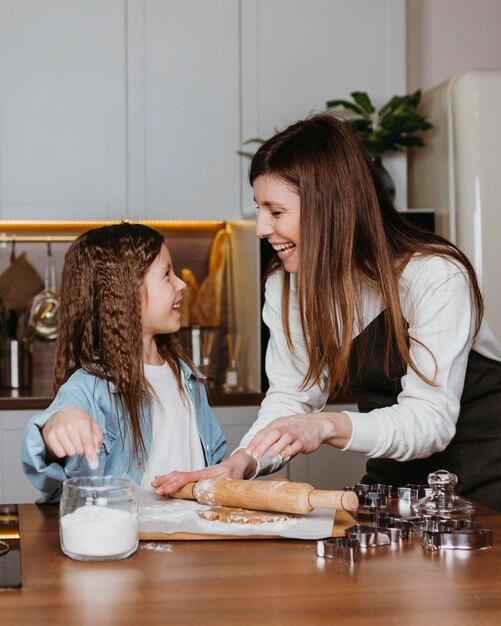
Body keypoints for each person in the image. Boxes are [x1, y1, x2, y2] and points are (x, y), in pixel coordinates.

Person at [153, 113, 501, 512]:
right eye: (259, 209)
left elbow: (431, 421)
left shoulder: (434, 275)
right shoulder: (288, 287)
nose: (260, 228)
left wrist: (327, 425)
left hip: (483, 474)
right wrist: (242, 462)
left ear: (330, 208)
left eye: (276, 211)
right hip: (394, 477)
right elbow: (292, 398)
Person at [22, 223, 227, 502]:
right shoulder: (90, 387)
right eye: (167, 274)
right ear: (125, 291)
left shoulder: (189, 377)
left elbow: (214, 466)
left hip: (194, 537)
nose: (181, 284)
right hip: (129, 542)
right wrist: (56, 426)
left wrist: (246, 482)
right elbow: (44, 459)